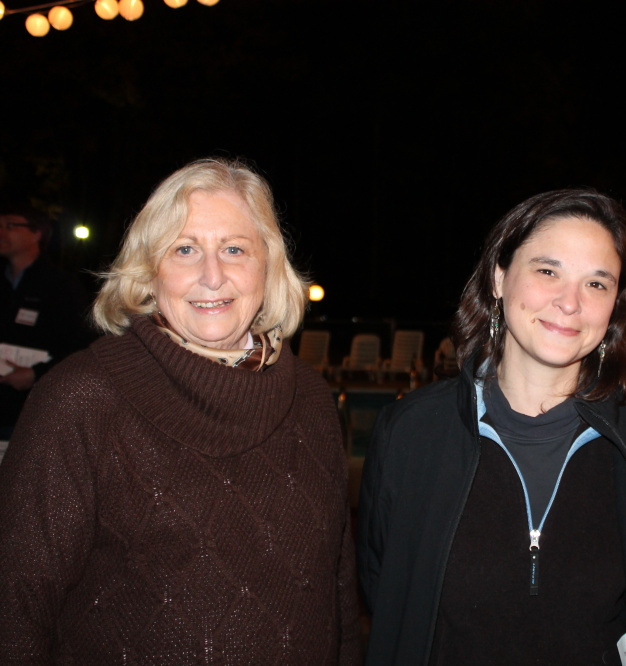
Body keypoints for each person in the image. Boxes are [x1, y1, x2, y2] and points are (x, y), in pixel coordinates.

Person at [0, 158, 360, 663]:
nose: (212, 276)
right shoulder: (82, 399)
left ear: (269, 266)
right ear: (148, 270)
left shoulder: (312, 399)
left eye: (234, 249)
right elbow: (14, 611)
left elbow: (338, 598)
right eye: (185, 249)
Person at [357, 189, 626, 665]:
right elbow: (384, 588)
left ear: (615, 303)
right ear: (499, 277)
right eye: (547, 271)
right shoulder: (411, 433)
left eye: (596, 284)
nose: (570, 302)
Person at [0, 206, 94, 439]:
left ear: (36, 234)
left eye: (10, 225)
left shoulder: (60, 287)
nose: (1, 232)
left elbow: (82, 347)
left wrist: (36, 374)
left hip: (28, 414)